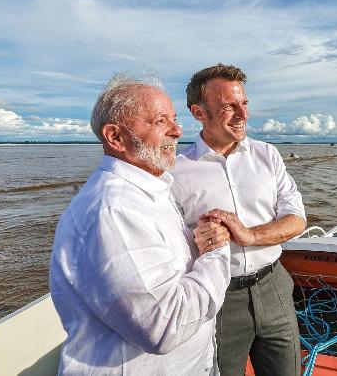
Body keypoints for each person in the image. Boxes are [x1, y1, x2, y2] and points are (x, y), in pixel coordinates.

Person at [49, 76, 231, 376]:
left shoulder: (150, 190)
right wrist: (216, 252)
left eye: (174, 119)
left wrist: (196, 243)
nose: (177, 130)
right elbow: (165, 328)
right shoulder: (114, 211)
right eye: (161, 121)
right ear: (116, 137)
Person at [172, 64, 307, 376]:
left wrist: (250, 235)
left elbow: (296, 218)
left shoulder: (268, 155)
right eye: (228, 107)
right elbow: (168, 240)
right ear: (199, 112)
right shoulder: (176, 171)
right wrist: (199, 237)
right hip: (218, 299)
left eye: (244, 104)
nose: (242, 115)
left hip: (274, 285)